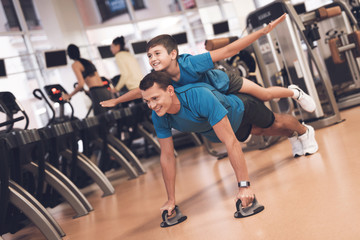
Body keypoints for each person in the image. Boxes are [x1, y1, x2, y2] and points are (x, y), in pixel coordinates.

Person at [139, 71, 318, 216]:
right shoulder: (159, 115)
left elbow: (230, 142)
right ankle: (294, 135)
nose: (152, 105)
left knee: (273, 124)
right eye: (147, 101)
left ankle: (304, 131)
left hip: (241, 108)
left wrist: (244, 187)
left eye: (155, 98)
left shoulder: (198, 96)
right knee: (261, 131)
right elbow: (167, 156)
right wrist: (171, 200)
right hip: (231, 126)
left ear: (170, 90)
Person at [101, 13, 315, 113]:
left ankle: (295, 93)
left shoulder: (192, 63)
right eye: (149, 56)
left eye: (157, 53)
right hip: (213, 98)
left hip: (225, 83)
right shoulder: (159, 78)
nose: (152, 59)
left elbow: (230, 50)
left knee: (265, 95)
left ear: (173, 54)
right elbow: (141, 92)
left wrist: (262, 31)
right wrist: (116, 101)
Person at [64, 44, 113, 115]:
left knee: (100, 119)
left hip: (96, 92)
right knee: (111, 117)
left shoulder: (75, 65)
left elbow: (81, 84)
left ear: (69, 55)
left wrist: (69, 95)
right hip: (105, 90)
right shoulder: (88, 61)